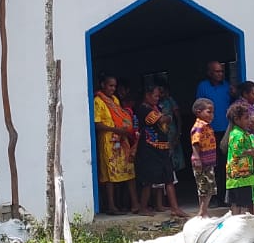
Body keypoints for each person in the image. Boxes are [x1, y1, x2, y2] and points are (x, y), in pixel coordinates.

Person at [136, 84, 188, 218]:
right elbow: (163, 119)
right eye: (155, 96)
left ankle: (175, 208)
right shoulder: (143, 109)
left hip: (163, 147)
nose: (157, 98)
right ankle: (143, 207)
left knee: (169, 178)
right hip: (149, 149)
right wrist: (165, 117)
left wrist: (166, 117)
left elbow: (167, 118)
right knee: (148, 180)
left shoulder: (155, 108)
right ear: (147, 95)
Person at [93, 74, 139, 215]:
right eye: (110, 85)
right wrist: (116, 130)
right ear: (103, 85)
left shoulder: (115, 100)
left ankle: (134, 203)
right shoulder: (98, 101)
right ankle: (111, 206)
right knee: (110, 174)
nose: (113, 88)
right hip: (108, 142)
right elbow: (97, 124)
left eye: (114, 86)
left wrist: (125, 129)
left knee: (128, 169)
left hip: (121, 140)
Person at [195, 61, 233, 206]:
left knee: (224, 165)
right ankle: (212, 199)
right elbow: (198, 108)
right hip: (208, 133)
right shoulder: (203, 87)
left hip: (225, 132)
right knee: (210, 166)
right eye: (217, 71)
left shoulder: (227, 87)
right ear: (209, 73)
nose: (220, 74)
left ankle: (223, 198)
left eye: (221, 71)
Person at [223, 101, 254, 215]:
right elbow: (237, 151)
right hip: (240, 176)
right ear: (237, 119)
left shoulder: (242, 133)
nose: (249, 120)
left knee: (238, 203)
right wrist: (250, 152)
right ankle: (239, 221)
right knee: (241, 203)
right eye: (246, 118)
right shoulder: (238, 134)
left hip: (240, 176)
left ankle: (238, 221)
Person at [188, 98, 218, 219]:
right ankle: (202, 211)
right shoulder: (199, 126)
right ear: (198, 112)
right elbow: (195, 142)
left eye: (213, 112)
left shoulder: (207, 126)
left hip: (208, 162)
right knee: (205, 186)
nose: (212, 115)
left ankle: (203, 210)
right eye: (209, 112)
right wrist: (197, 158)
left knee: (208, 187)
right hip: (202, 162)